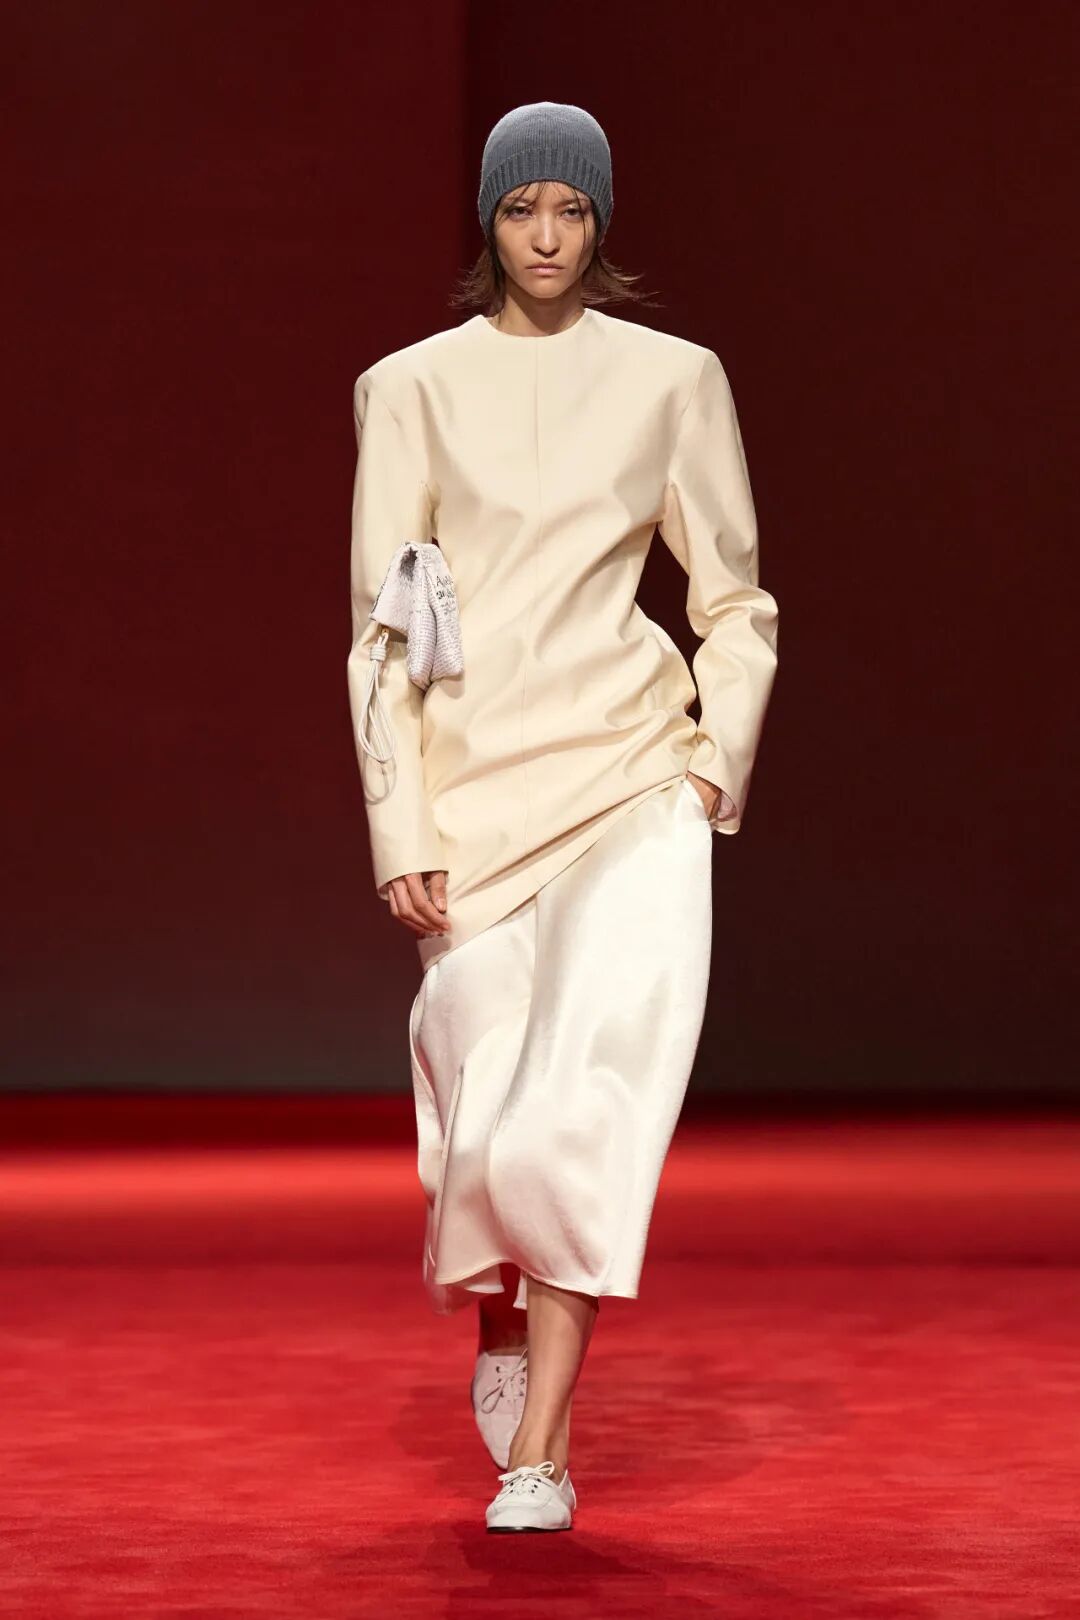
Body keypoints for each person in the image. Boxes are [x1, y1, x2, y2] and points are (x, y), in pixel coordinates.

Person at [346, 101, 779, 1532]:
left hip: (629, 778)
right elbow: (383, 635)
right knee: (477, 1132)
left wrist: (712, 764)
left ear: (602, 223)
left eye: (572, 210)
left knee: (574, 1114)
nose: (546, 236)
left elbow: (734, 598)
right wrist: (402, 826)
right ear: (489, 219)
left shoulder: (674, 380)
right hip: (475, 799)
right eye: (522, 208)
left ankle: (541, 1448)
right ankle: (502, 1324)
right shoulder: (409, 388)